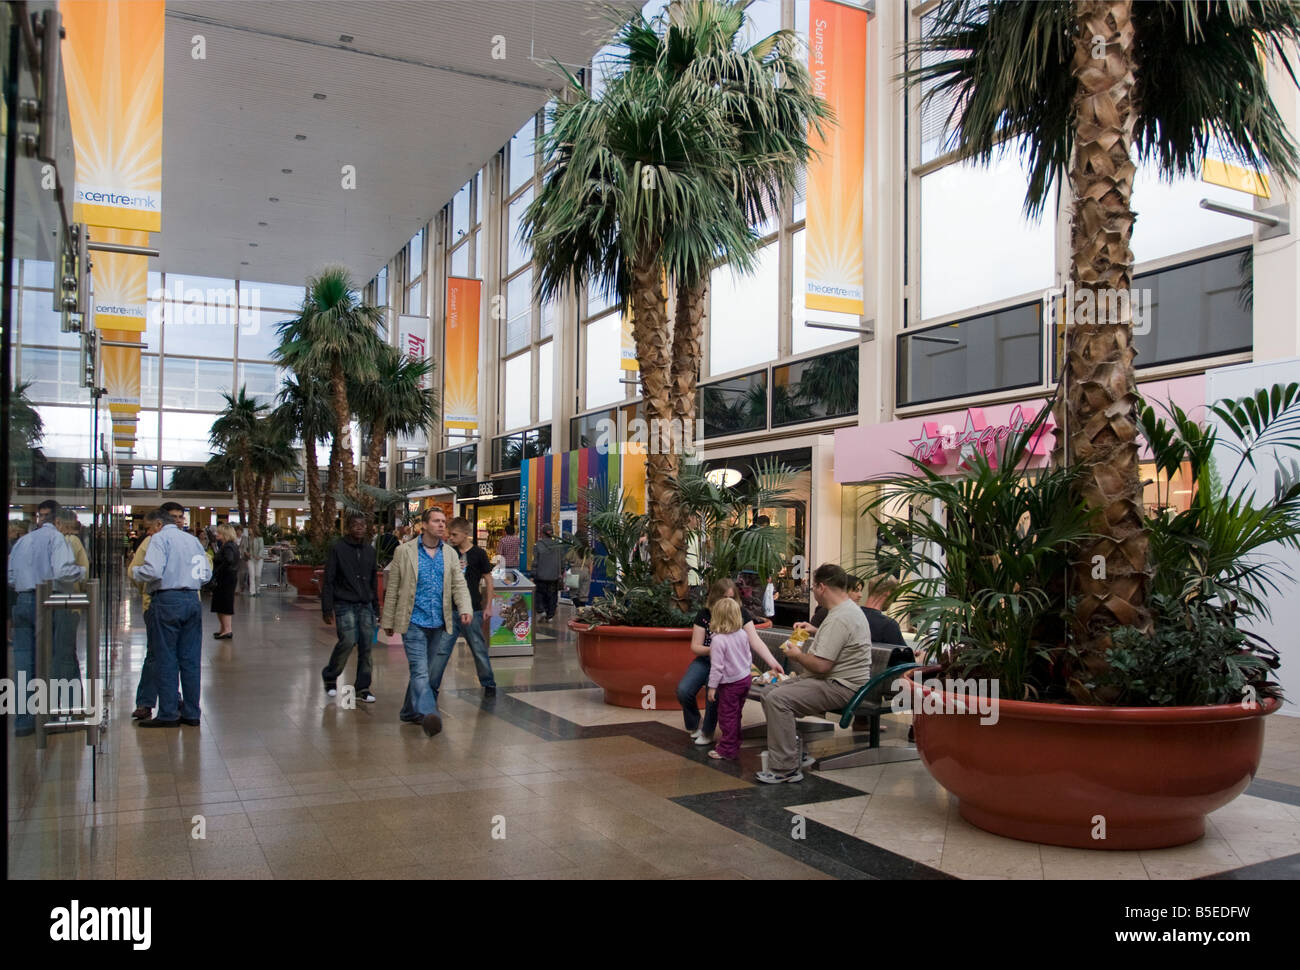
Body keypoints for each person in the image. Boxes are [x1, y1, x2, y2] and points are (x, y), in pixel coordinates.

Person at [756, 563, 874, 783]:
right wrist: (815, 631)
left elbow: (821, 666)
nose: (813, 592)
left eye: (813, 588)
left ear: (821, 587)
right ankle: (793, 752)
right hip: (834, 682)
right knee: (769, 692)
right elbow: (841, 639)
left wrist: (796, 655)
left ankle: (786, 768)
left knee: (778, 699)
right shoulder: (844, 611)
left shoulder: (840, 617)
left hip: (841, 686)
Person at [380, 507, 472, 737]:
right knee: (420, 671)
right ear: (424, 525)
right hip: (413, 622)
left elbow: (458, 584)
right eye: (436, 521)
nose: (442, 525)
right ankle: (431, 713)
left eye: (444, 521)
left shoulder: (450, 553)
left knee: (426, 672)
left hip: (439, 623)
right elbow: (393, 588)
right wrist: (388, 620)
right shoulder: (405, 551)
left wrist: (465, 608)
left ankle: (408, 711)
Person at [7, 500, 85, 735]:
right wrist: (79, 572)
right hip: (49, 601)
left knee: (23, 662)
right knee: (52, 658)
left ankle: (23, 721)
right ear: (59, 522)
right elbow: (62, 571)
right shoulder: (56, 539)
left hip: (22, 601)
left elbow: (11, 575)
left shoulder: (23, 541)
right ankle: (49, 716)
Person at [677, 578, 784, 746]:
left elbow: (754, 641)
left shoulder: (740, 613)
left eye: (731, 598)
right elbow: (695, 646)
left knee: (713, 694)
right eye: (724, 598)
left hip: (727, 665)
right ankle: (694, 723)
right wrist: (716, 649)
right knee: (684, 690)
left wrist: (772, 662)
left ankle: (708, 731)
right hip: (706, 660)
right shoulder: (704, 615)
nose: (728, 602)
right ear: (714, 598)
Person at [131, 502, 211, 727]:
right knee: (190, 659)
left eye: (149, 528)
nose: (148, 532)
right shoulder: (193, 540)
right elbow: (205, 574)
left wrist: (138, 572)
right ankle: (192, 712)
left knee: (166, 658)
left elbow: (153, 571)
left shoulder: (159, 539)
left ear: (158, 524)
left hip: (167, 601)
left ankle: (168, 713)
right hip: (192, 600)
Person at [321, 513, 380, 703]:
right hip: (344, 602)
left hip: (365, 604)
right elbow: (329, 578)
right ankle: (331, 675)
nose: (359, 528)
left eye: (363, 525)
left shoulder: (370, 551)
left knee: (366, 645)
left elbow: (372, 581)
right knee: (348, 640)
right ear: (348, 527)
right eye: (355, 525)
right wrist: (326, 607)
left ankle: (363, 687)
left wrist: (376, 608)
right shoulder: (338, 548)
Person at [444, 517, 497, 696]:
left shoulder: (479, 554)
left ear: (465, 534)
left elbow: (488, 579)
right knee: (442, 650)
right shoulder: (448, 552)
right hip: (450, 609)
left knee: (478, 647)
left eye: (454, 534)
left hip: (473, 609)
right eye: (449, 534)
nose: (450, 538)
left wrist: (488, 606)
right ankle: (432, 684)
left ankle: (488, 683)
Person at [704, 597, 754, 762]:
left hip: (730, 684)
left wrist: (712, 687)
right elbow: (748, 656)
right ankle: (734, 742)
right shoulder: (742, 634)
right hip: (744, 679)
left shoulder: (718, 641)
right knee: (736, 714)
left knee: (727, 716)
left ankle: (726, 749)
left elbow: (717, 667)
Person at [129, 511, 167, 720]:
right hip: (154, 604)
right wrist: (147, 590)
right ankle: (146, 701)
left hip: (177, 605)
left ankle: (173, 699)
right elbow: (133, 572)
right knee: (154, 655)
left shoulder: (185, 542)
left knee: (174, 657)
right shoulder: (149, 543)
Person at [799, 574, 905, 646]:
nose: (860, 595)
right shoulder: (838, 615)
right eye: (856, 590)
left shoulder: (847, 616)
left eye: (861, 590)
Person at [53, 509, 90, 683]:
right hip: (69, 600)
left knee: (60, 651)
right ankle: (70, 699)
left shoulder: (66, 541)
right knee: (67, 651)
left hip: (61, 601)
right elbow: (84, 570)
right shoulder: (72, 541)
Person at [210, 523, 239, 639]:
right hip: (228, 578)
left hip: (225, 579)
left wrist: (218, 570)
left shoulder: (228, 547)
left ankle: (227, 629)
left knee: (224, 604)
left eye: (219, 532)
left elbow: (228, 560)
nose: (217, 534)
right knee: (221, 604)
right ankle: (224, 628)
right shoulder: (230, 545)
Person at [531, 523, 564, 621]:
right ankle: (550, 615)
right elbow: (562, 560)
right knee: (552, 596)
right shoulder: (558, 545)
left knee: (539, 594)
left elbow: (535, 561)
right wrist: (561, 572)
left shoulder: (538, 545)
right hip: (554, 576)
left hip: (541, 575)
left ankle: (541, 610)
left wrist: (533, 574)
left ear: (542, 533)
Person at [247, 528, 266, 596]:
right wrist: (247, 553)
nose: (249, 530)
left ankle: (257, 590)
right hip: (251, 558)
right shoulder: (248, 538)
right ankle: (252, 591)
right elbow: (246, 547)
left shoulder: (260, 539)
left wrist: (259, 556)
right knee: (252, 575)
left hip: (259, 559)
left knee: (257, 575)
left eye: (250, 529)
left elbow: (261, 548)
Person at [236, 525, 251, 596]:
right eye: (237, 530)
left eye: (239, 530)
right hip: (235, 557)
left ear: (241, 531)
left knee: (243, 573)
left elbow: (248, 547)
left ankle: (242, 586)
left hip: (243, 557)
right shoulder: (234, 538)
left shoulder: (245, 538)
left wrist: (248, 555)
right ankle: (237, 589)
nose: (238, 532)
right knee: (236, 573)